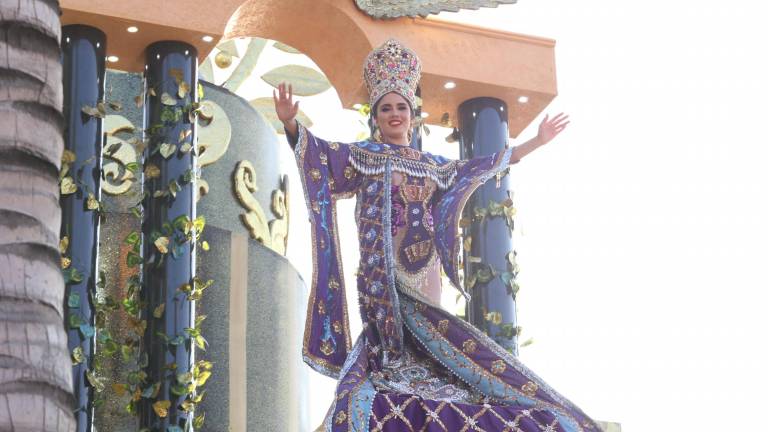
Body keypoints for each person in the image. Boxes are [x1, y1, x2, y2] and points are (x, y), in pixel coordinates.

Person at [274, 39, 598, 432]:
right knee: (382, 358)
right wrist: (292, 125)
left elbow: (485, 165)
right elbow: (319, 155)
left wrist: (536, 142)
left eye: (401, 108)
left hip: (423, 276)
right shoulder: (364, 156)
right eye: (386, 108)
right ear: (377, 117)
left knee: (436, 338)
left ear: (413, 116)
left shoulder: (436, 167)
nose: (394, 114)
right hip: (382, 280)